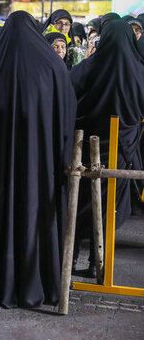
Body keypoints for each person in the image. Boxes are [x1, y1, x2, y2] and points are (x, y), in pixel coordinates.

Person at [0, 10, 77, 308]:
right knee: (35, 213)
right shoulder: (52, 65)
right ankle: (37, 282)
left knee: (1, 214)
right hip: (38, 165)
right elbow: (67, 114)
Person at [71, 18, 144, 274]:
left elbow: (70, 94)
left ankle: (69, 262)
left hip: (86, 147)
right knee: (109, 207)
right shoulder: (139, 69)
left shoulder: (90, 66)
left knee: (79, 204)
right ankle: (97, 264)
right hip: (120, 151)